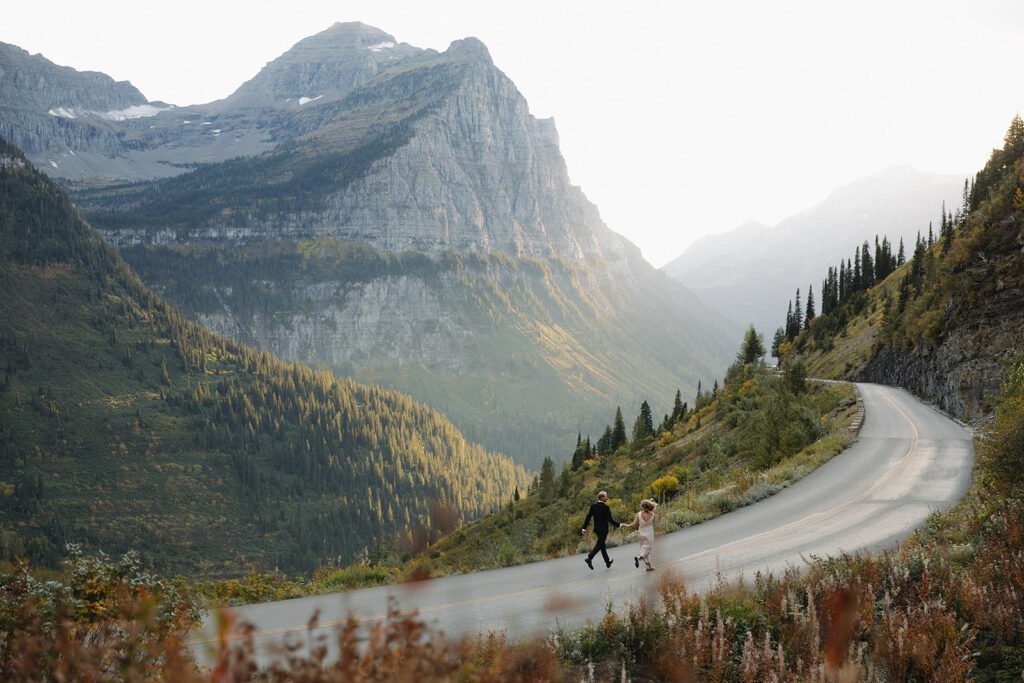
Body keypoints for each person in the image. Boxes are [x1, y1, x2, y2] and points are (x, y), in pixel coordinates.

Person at [581, 491, 621, 569]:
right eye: (606, 496)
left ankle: (607, 561)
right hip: (604, 530)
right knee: (600, 544)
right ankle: (589, 557)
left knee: (602, 545)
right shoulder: (606, 507)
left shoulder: (593, 506)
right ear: (602, 498)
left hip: (597, 529)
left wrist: (584, 528)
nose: (607, 498)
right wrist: (620, 525)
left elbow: (588, 517)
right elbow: (610, 520)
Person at [621, 499, 657, 570]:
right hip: (649, 533)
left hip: (641, 533)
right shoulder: (653, 515)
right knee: (647, 549)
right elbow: (654, 524)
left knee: (644, 549)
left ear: (642, 507)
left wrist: (626, 525)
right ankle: (639, 557)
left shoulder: (639, 514)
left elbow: (633, 524)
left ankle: (648, 566)